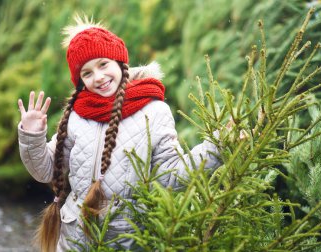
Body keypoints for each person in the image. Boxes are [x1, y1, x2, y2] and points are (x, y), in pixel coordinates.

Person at [17, 15, 222, 252]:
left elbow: (171, 177)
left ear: (120, 63)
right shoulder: (78, 114)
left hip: (127, 241)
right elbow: (45, 171)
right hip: (74, 240)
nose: (99, 77)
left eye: (103, 64)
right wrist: (32, 136)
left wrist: (216, 147)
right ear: (81, 81)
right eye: (87, 73)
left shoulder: (154, 111)